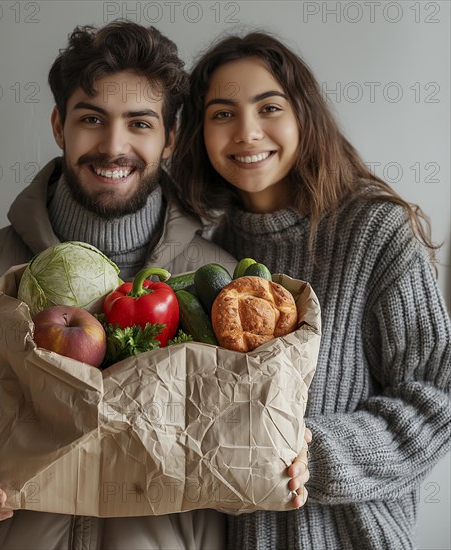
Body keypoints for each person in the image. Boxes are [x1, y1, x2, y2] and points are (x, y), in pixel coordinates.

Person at [0, 22, 310, 550]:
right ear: (59, 126)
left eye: (139, 123)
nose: (113, 146)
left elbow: (252, 428)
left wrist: (290, 448)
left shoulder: (220, 283)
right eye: (92, 119)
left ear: (171, 138)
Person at [171, 31, 451, 549]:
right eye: (222, 114)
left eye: (268, 107)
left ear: (303, 115)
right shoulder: (206, 259)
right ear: (200, 134)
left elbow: (438, 398)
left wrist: (317, 451)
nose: (247, 133)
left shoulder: (374, 231)